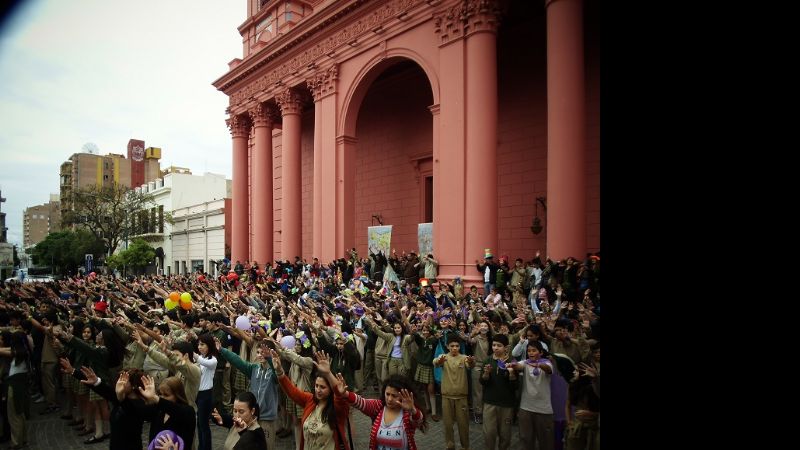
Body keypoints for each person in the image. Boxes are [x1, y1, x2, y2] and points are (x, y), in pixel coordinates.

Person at [270, 349, 350, 450]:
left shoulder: (337, 407)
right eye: (316, 386)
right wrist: (279, 371)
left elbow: (340, 397)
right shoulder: (310, 400)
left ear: (331, 389)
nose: (318, 390)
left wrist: (328, 374)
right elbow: (292, 392)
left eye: (322, 387)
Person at [338, 372, 427, 450]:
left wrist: (413, 410)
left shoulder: (407, 413)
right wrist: (345, 394)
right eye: (387, 394)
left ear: (403, 395)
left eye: (394, 395)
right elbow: (361, 402)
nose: (389, 399)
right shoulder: (379, 406)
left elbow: (419, 421)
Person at [433, 335, 475, 450]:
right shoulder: (444, 357)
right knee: (447, 426)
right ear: (447, 346)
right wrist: (439, 361)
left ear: (459, 347)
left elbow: (470, 364)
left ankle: (465, 447)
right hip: (446, 397)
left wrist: (471, 362)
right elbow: (436, 362)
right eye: (452, 346)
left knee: (463, 426)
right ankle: (450, 446)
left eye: (457, 346)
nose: (455, 348)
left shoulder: (464, 358)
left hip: (461, 398)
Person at [138, 375, 196, 450]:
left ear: (177, 395)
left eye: (166, 395)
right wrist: (122, 397)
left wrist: (156, 398)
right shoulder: (158, 410)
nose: (162, 397)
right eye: (160, 394)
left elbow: (176, 410)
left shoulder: (187, 411)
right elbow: (136, 412)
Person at [0, 332, 32, 450]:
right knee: (20, 413)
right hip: (21, 385)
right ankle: (23, 439)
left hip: (14, 386)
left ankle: (16, 442)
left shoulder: (17, 353)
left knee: (13, 415)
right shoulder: (23, 351)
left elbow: (3, 350)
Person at [194, 333, 219, 450]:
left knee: (204, 425)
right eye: (198, 344)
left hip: (206, 395)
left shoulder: (213, 360)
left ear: (209, 345)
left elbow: (202, 362)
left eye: (202, 344)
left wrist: (190, 352)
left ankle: (206, 448)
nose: (199, 347)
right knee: (199, 424)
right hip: (197, 394)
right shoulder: (201, 358)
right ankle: (201, 447)